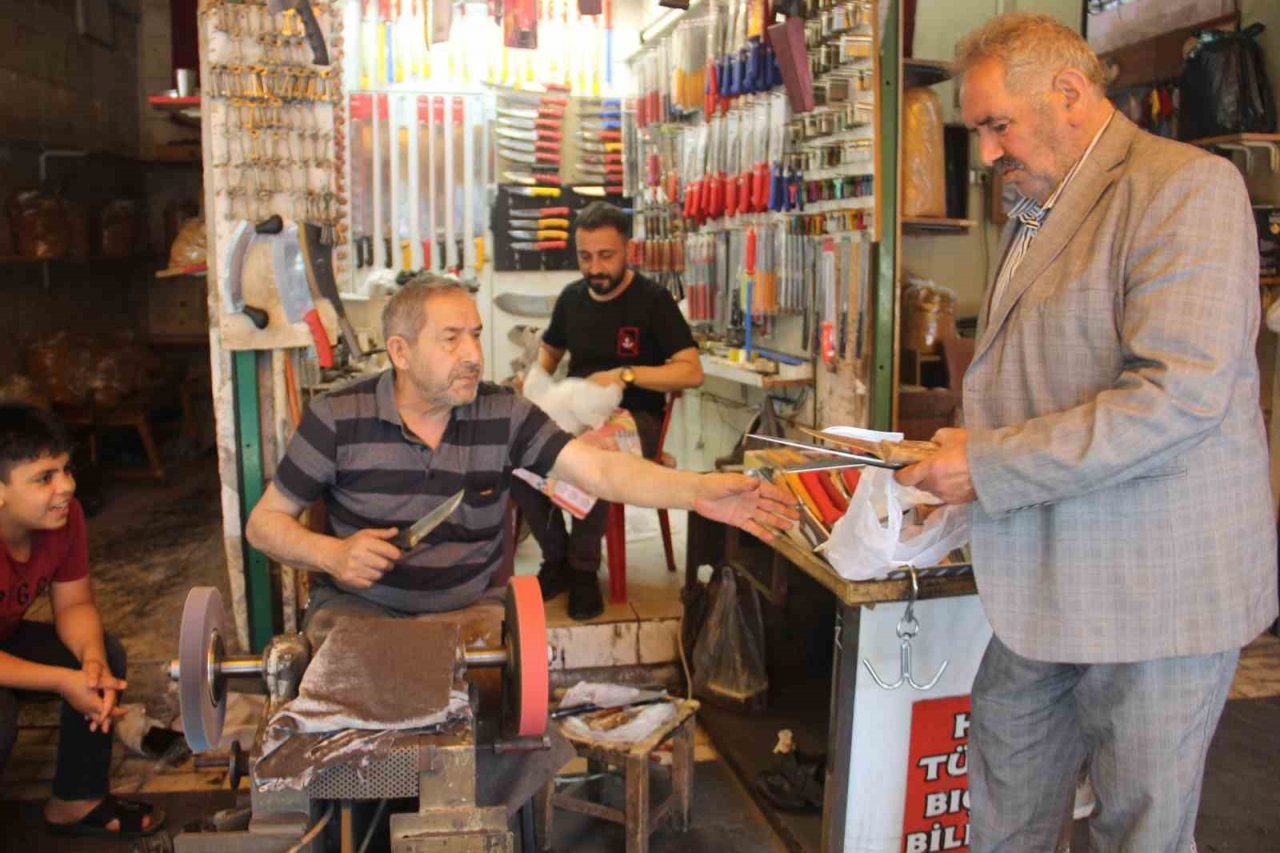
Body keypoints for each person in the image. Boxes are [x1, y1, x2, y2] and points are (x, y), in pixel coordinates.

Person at [895, 13, 1278, 852]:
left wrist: (986, 465)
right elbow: (1028, 368)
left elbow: (1176, 397)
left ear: (1068, 92)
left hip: (1156, 589)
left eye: (997, 125)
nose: (986, 152)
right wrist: (955, 462)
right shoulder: (1037, 202)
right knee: (1002, 809)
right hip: (1042, 578)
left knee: (1137, 830)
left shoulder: (1186, 188)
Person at [246, 273, 792, 640]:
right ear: (400, 352)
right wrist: (331, 554)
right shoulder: (337, 416)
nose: (473, 354)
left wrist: (697, 491)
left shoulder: (502, 413)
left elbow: (599, 470)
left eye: (475, 336)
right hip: (359, 612)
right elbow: (264, 525)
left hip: (469, 614)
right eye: (451, 339)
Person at [511, 201, 705, 620]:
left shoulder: (653, 301)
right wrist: (532, 382)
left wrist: (625, 375)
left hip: (638, 418)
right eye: (585, 256)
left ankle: (583, 570)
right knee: (514, 451)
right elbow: (549, 353)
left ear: (628, 250)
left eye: (606, 256)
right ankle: (557, 557)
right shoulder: (572, 299)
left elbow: (691, 372)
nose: (595, 268)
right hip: (577, 410)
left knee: (593, 456)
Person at [0, 404, 163, 839]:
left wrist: (91, 662)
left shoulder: (64, 517)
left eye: (66, 469)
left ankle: (76, 800)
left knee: (103, 655)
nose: (67, 487)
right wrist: (60, 681)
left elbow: (74, 605)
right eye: (44, 478)